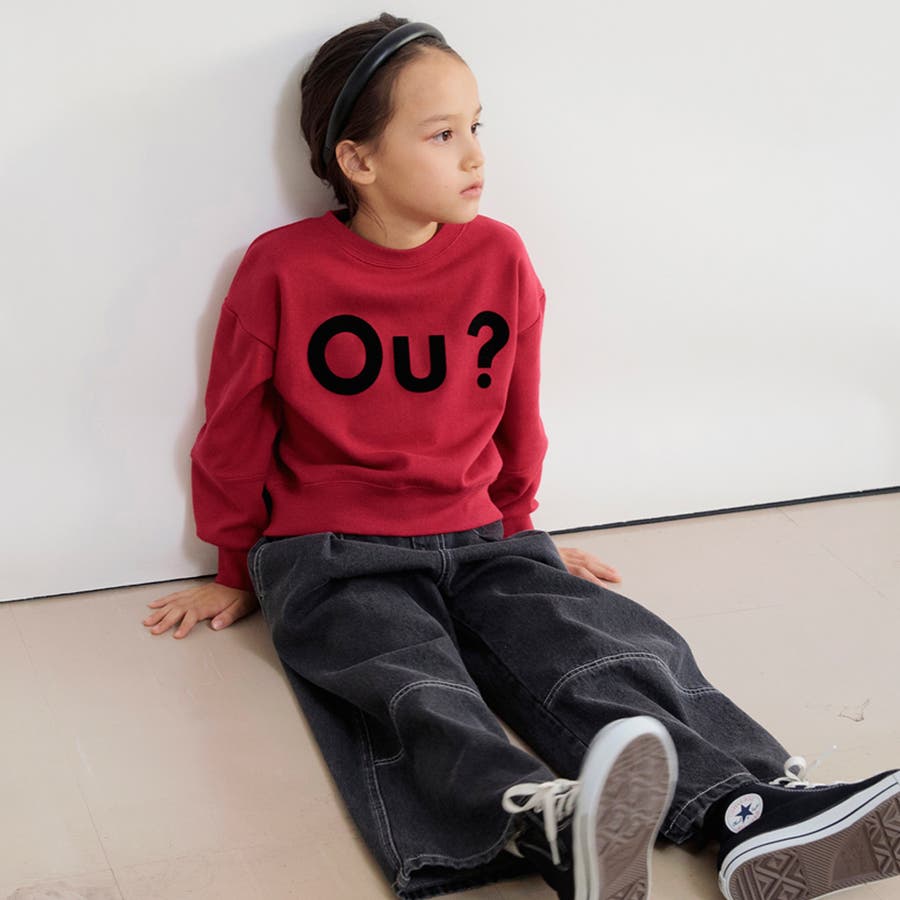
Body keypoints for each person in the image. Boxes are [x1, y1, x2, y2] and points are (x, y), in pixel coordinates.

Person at [143, 14, 900, 900]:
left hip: (479, 535)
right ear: (358, 160)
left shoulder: (499, 255)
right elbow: (234, 426)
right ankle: (543, 824)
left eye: (476, 126)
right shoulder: (282, 268)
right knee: (405, 682)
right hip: (333, 550)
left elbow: (516, 411)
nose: (475, 155)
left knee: (601, 645)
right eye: (441, 134)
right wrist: (237, 564)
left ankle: (747, 811)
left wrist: (519, 528)